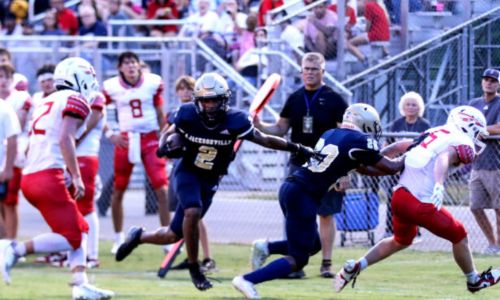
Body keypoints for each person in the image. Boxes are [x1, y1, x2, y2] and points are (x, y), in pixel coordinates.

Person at [114, 72, 315, 291]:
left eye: (214, 101)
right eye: (205, 101)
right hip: (188, 171)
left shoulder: (236, 120)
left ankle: (139, 236)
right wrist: (163, 146)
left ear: (224, 100)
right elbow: (169, 130)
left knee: (174, 234)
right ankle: (194, 268)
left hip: (211, 178)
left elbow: (264, 139)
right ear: (197, 101)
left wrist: (296, 147)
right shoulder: (187, 114)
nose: (209, 106)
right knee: (193, 211)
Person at [232, 103, 405, 299]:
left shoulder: (331, 133)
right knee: (298, 259)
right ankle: (248, 280)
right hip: (303, 194)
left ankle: (266, 247)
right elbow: (391, 167)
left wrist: (399, 147)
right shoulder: (359, 140)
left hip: (292, 188)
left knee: (314, 244)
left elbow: (367, 168)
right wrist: (414, 155)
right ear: (365, 123)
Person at [334, 106, 500, 294]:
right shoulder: (463, 142)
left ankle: (357, 266)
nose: (478, 138)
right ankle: (473, 280)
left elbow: (398, 147)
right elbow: (444, 157)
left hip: (399, 198)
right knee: (459, 234)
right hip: (420, 202)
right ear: (469, 126)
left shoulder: (433, 131)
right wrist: (439, 184)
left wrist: (369, 160)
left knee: (401, 240)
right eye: (477, 132)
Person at [0, 57, 114, 299]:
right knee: (73, 235)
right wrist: (75, 174)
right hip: (48, 175)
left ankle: (80, 285)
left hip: (33, 175)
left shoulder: (46, 100)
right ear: (78, 77)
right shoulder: (75, 99)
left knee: (79, 228)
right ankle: (15, 249)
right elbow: (65, 138)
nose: (92, 83)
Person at [253, 52, 348, 278]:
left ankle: (326, 263)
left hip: (328, 165)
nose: (310, 73)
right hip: (299, 164)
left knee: (326, 214)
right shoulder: (295, 98)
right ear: (301, 71)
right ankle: (295, 265)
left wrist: (344, 171)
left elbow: (344, 135)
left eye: (314, 69)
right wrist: (260, 125)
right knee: (295, 215)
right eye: (306, 69)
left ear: (323, 72)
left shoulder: (335, 99)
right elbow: (280, 129)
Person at [102, 51, 169, 254]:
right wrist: (110, 134)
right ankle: (118, 237)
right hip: (126, 139)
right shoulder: (111, 86)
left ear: (139, 65)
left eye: (133, 62)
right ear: (120, 68)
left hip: (149, 138)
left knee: (162, 188)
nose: (130, 66)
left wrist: (164, 138)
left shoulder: (152, 82)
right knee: (119, 190)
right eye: (126, 63)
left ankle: (167, 237)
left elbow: (159, 113)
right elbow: (99, 109)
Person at [166, 75, 216, 272]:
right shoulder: (176, 113)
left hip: (198, 168)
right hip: (180, 168)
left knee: (196, 215)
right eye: (182, 88)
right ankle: (190, 256)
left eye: (189, 88)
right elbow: (167, 134)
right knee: (186, 216)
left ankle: (207, 257)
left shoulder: (204, 113)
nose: (186, 92)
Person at [383, 91, 430, 237]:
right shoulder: (397, 123)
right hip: (397, 166)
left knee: (414, 198)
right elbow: (388, 144)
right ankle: (390, 229)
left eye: (414, 105)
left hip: (416, 167)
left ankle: (415, 230)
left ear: (419, 108)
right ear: (403, 107)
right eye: (408, 104)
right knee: (393, 197)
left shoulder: (424, 124)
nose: (410, 107)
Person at [467, 68, 500, 255]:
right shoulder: (473, 104)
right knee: (476, 207)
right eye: (486, 79)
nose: (489, 83)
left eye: (493, 80)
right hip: (477, 164)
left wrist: (479, 130)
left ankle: (499, 245)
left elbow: (498, 127)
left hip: (497, 165)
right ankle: (492, 243)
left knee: (499, 208)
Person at [0, 63, 31, 241]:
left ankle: (10, 243)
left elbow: (18, 131)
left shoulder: (20, 99)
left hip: (14, 156)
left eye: (6, 77)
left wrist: (9, 165)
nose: (2, 81)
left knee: (10, 202)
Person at [75, 91, 106, 268]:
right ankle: (77, 251)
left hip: (85, 155)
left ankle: (91, 255)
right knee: (73, 205)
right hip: (73, 155)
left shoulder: (95, 96)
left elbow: (90, 121)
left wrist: (71, 141)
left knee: (86, 205)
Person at [0, 99, 21, 239]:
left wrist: (8, 168)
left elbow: (12, 140)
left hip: (1, 167)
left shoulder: (4, 108)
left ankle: (7, 245)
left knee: (8, 207)